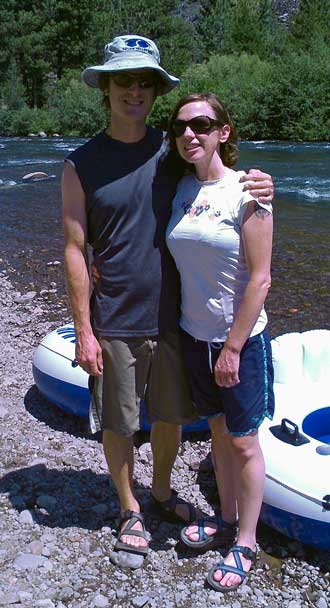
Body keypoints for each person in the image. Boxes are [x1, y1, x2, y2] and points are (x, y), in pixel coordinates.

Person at [62, 35, 275, 570]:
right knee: (118, 420)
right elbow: (72, 248)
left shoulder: (176, 148)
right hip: (114, 318)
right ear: (105, 90)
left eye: (144, 82)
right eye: (123, 81)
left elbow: (222, 184)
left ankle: (159, 490)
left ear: (154, 91)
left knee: (171, 417)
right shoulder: (80, 164)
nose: (135, 91)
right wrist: (82, 330)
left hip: (177, 319)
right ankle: (128, 506)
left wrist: (264, 183)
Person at [166, 93, 274, 592]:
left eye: (202, 124)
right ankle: (226, 517)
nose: (191, 133)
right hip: (194, 336)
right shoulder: (181, 189)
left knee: (245, 443)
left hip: (239, 342)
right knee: (216, 431)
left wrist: (232, 348)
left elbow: (260, 280)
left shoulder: (250, 192)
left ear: (223, 133)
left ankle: (246, 541)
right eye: (182, 126)